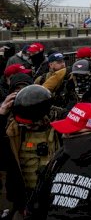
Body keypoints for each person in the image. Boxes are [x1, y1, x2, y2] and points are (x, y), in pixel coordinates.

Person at [0, 85, 62, 218]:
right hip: (24, 200)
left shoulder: (61, 123)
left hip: (53, 200)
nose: (27, 127)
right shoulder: (13, 131)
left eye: (30, 124)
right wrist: (1, 115)